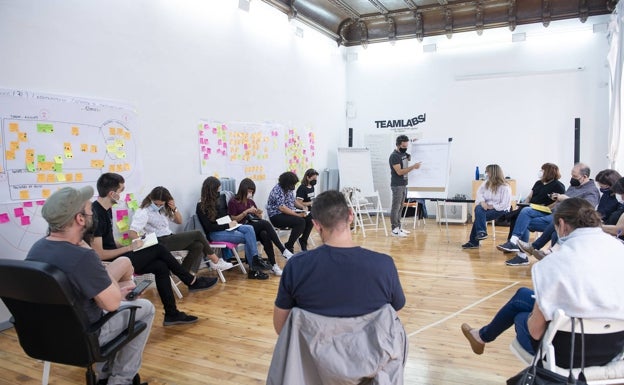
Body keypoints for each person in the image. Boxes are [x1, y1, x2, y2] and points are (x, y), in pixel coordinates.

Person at [461, 198, 624, 362]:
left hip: (567, 353)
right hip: (615, 348)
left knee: (520, 315)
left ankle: (483, 336)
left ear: (561, 224)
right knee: (524, 295)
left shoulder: (554, 262)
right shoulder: (619, 248)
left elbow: (535, 331)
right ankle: (480, 336)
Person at [27, 186, 154, 385]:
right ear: (79, 219)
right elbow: (111, 305)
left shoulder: (37, 248)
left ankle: (105, 375)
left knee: (121, 301)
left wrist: (116, 293)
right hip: (86, 335)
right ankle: (120, 380)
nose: (92, 214)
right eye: (89, 211)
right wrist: (95, 260)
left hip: (48, 336)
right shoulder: (82, 256)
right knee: (146, 308)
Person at [90, 173, 217, 327]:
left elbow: (109, 243)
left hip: (121, 256)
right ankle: (190, 280)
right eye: (121, 190)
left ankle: (172, 314)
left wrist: (125, 247)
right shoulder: (95, 215)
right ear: (112, 193)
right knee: (158, 248)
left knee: (161, 266)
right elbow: (100, 254)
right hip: (112, 264)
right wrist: (129, 247)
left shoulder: (106, 210)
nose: (122, 194)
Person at [273, 189, 406, 334]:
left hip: (313, 354)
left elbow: (281, 327)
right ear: (351, 215)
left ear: (316, 225)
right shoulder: (384, 265)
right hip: (368, 354)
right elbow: (393, 315)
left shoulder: (296, 266)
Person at [498, 163, 600, 266]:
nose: (572, 179)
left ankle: (529, 252)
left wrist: (565, 198)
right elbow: (560, 201)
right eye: (571, 175)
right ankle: (514, 242)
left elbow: (588, 207)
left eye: (574, 176)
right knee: (525, 212)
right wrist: (557, 199)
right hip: (553, 213)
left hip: (565, 219)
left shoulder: (591, 191)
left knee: (556, 226)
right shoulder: (575, 185)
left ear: (585, 177)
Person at [129, 186, 233, 273]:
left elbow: (179, 221)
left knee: (198, 245)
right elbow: (132, 232)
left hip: (168, 238)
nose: (159, 206)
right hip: (158, 242)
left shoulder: (164, 209)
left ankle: (186, 274)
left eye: (161, 204)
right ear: (151, 199)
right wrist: (142, 243)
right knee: (197, 234)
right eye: (156, 204)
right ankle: (215, 261)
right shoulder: (143, 211)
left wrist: (174, 208)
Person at [196, 176, 270, 280]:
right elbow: (209, 227)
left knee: (249, 229)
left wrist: (231, 222)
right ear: (210, 190)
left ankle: (254, 262)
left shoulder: (218, 201)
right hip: (215, 234)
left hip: (227, 227)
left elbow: (224, 217)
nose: (219, 192)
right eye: (217, 190)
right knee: (249, 237)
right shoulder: (201, 206)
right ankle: (254, 267)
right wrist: (228, 225)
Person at [228, 178, 293, 276]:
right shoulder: (233, 202)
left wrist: (258, 214)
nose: (250, 193)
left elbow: (259, 218)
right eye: (249, 191)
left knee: (265, 234)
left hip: (253, 226)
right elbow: (233, 219)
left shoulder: (250, 202)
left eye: (252, 192)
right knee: (265, 223)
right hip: (242, 228)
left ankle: (274, 265)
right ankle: (283, 250)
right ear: (243, 190)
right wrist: (246, 212)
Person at [502, 163, 565, 241]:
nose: (540, 171)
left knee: (519, 213)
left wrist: (545, 208)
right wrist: (524, 204)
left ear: (548, 172)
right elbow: (529, 196)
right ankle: (516, 242)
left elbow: (557, 203)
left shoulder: (558, 185)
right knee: (519, 213)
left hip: (544, 210)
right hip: (531, 206)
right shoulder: (538, 183)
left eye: (542, 170)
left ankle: (512, 239)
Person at [461, 164, 512, 249]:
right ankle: (481, 233)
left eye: (487, 172)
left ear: (493, 173)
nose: (486, 174)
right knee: (478, 208)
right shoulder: (486, 183)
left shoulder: (505, 187)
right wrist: (482, 202)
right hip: (486, 208)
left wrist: (492, 206)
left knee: (479, 216)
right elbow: (479, 193)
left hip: (500, 210)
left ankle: (475, 241)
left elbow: (505, 204)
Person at [266, 171, 313, 253]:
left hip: (288, 213)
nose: (294, 187)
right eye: (293, 184)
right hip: (277, 216)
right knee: (300, 222)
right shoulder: (277, 190)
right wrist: (298, 215)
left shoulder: (288, 189)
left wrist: (303, 207)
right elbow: (282, 208)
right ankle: (289, 245)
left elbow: (293, 201)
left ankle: (303, 241)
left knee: (310, 218)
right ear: (287, 183)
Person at [389, 135, 421, 237]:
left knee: (400, 207)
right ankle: (394, 229)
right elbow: (399, 172)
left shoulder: (403, 154)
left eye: (406, 146)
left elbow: (412, 156)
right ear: (398, 145)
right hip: (397, 185)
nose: (405, 148)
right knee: (396, 207)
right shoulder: (394, 156)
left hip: (403, 184)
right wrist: (413, 167)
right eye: (403, 146)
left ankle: (399, 227)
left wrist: (414, 143)